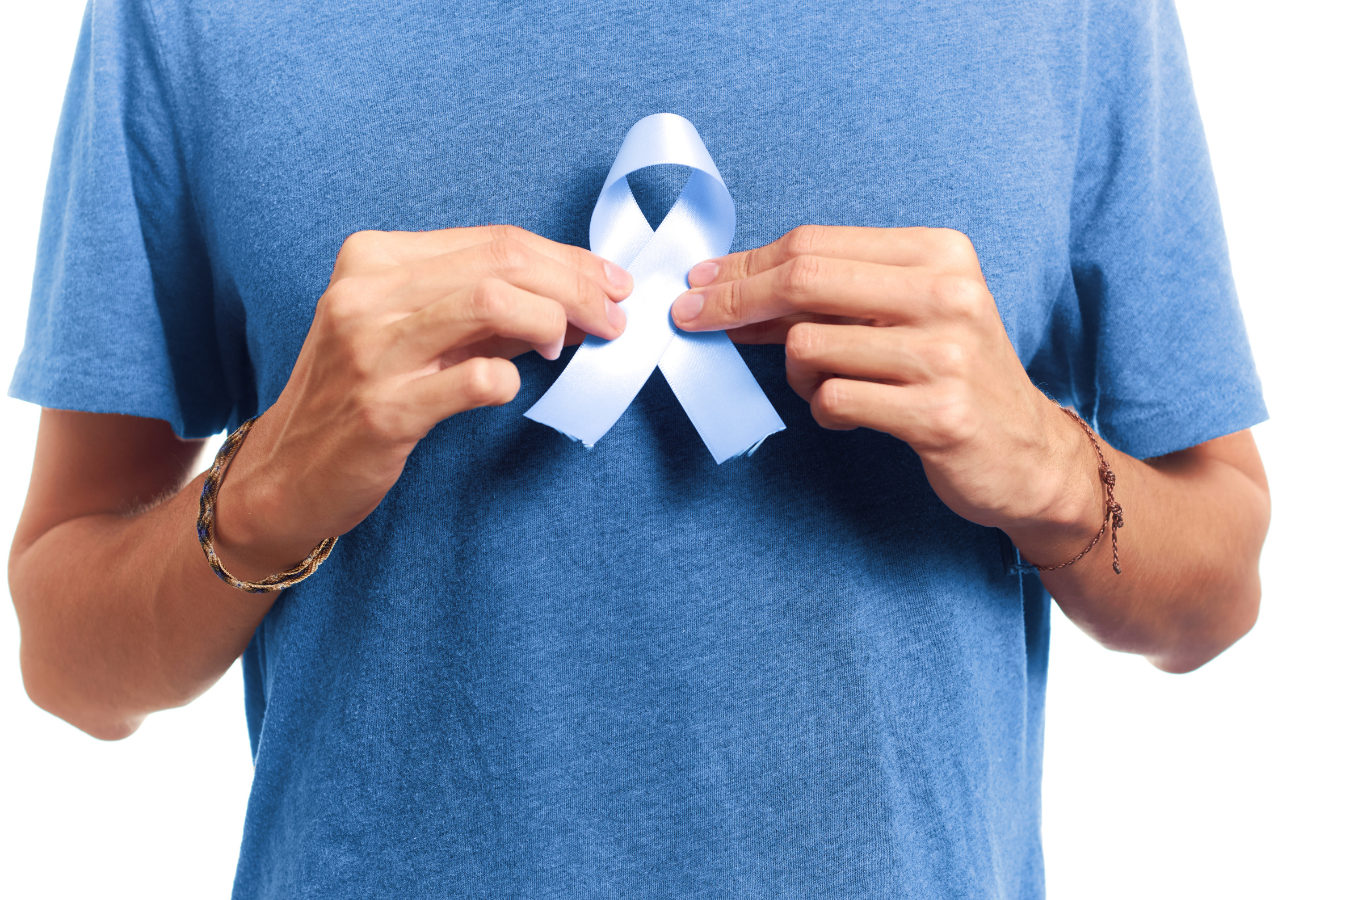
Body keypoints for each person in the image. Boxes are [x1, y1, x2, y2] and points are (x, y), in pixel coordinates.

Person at [8, 0, 1270, 896]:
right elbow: (72, 662)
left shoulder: (1078, 16)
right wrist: (268, 486)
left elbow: (1214, 590)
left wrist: (1052, 471)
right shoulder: (189, 18)